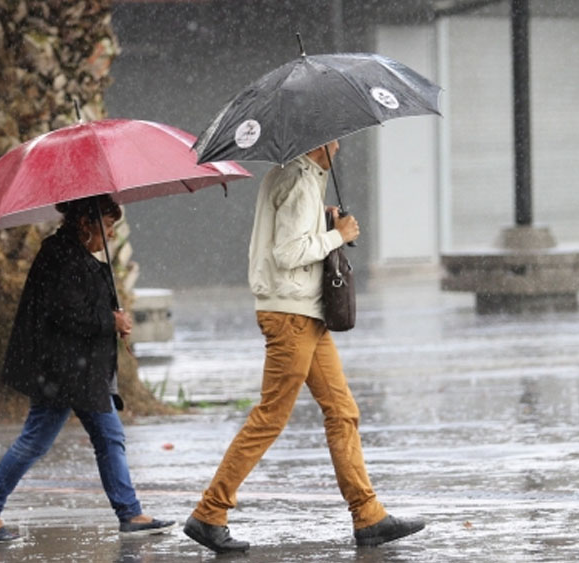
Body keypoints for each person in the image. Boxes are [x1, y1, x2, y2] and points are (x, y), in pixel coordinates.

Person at [182, 140, 425, 553]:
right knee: (270, 417)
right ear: (319, 143)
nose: (339, 146)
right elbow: (288, 252)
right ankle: (210, 512)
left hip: (306, 313)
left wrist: (322, 221)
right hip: (291, 316)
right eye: (335, 140)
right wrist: (336, 235)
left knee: (342, 410)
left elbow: (293, 237)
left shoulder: (297, 177)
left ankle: (368, 516)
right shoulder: (298, 180)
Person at [0, 195, 174, 542]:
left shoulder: (73, 254)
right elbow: (66, 313)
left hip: (78, 371)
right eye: (107, 225)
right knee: (42, 440)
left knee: (106, 437)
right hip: (64, 372)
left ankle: (130, 513)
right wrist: (110, 320)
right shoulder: (60, 255)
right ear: (85, 223)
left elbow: (80, 307)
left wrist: (112, 317)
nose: (111, 235)